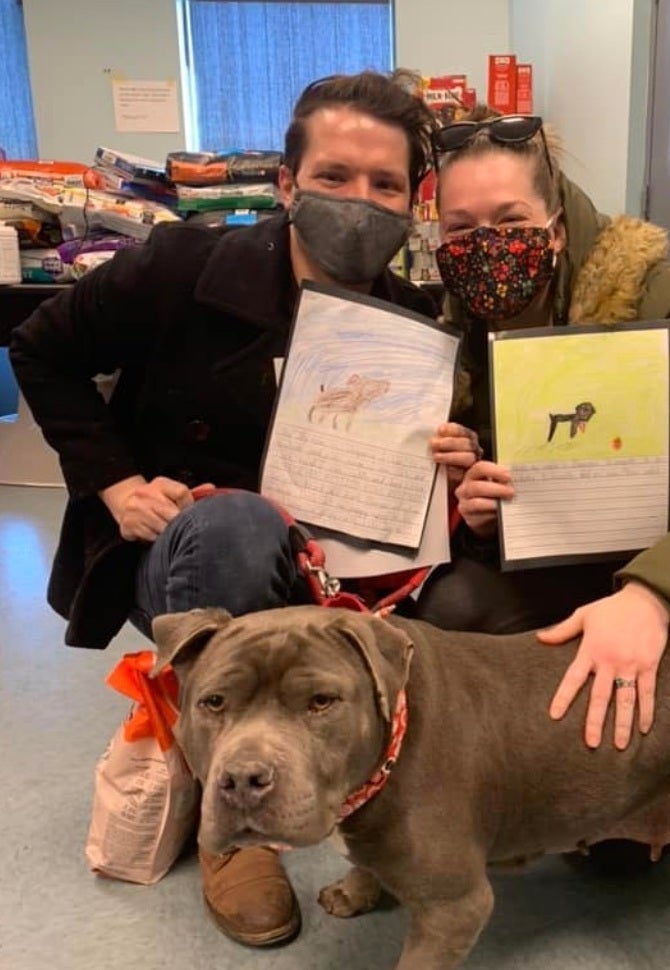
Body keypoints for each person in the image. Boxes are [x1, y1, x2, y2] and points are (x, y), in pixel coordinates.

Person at [9, 70, 477, 949]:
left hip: (339, 566)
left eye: (385, 185)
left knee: (452, 592)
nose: (360, 202)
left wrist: (450, 458)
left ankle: (386, 795)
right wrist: (112, 481)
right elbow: (40, 349)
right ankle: (238, 824)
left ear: (412, 202)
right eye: (335, 177)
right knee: (242, 524)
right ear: (289, 185)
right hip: (194, 555)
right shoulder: (182, 265)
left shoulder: (413, 320)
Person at [417, 111, 670, 760]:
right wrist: (489, 514)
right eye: (461, 230)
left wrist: (654, 595)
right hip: (563, 572)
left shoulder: (664, 302)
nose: (485, 246)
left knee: (621, 854)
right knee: (452, 605)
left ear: (559, 227)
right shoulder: (459, 330)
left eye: (513, 222)